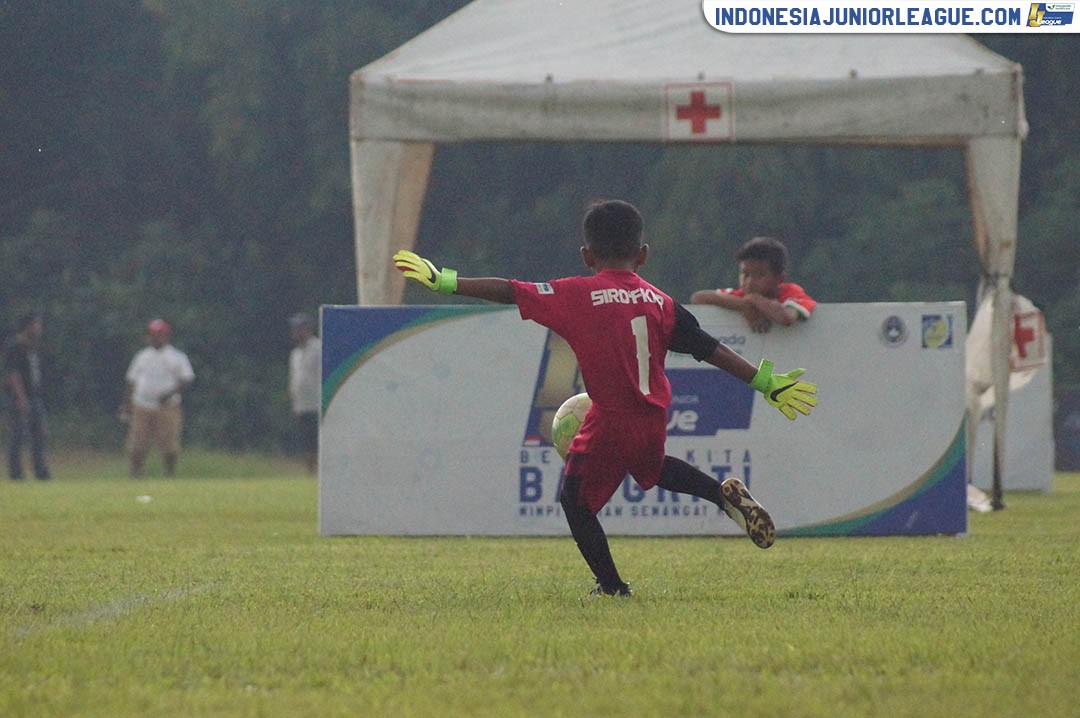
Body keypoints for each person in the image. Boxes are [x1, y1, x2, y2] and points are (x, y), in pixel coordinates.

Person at [393, 199, 818, 597]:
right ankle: (721, 495)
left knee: (574, 503)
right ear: (643, 254)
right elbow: (711, 349)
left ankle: (613, 588)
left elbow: (509, 290)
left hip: (610, 417)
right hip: (650, 415)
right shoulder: (661, 302)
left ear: (587, 256)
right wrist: (766, 383)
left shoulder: (575, 294)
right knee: (651, 468)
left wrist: (446, 280)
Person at [690, 236, 816, 333]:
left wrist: (754, 299)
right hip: (759, 359)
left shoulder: (792, 292)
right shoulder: (740, 295)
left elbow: (787, 318)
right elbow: (698, 297)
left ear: (780, 278)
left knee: (765, 367)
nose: (749, 282)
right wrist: (745, 306)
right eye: (745, 274)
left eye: (760, 275)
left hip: (787, 360)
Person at [119, 319, 195, 478]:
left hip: (167, 406)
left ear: (166, 336)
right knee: (137, 444)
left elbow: (187, 379)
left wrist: (170, 393)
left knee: (169, 445)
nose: (156, 338)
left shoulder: (176, 356)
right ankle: (136, 476)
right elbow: (131, 380)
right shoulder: (142, 356)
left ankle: (170, 475)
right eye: (153, 335)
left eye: (159, 335)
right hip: (142, 405)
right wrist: (127, 404)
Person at [3, 312, 51, 480]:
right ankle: (16, 473)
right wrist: (21, 398)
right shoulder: (15, 347)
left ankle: (41, 471)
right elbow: (14, 374)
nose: (39, 328)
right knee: (17, 435)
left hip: (35, 396)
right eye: (36, 324)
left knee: (40, 434)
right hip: (19, 398)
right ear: (28, 326)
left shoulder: (34, 347)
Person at [288, 312, 321, 474]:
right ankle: (310, 472)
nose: (295, 332)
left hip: (317, 403)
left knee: (317, 440)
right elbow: (294, 378)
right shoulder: (295, 353)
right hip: (302, 404)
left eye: (298, 328)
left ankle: (319, 471)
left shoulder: (318, 348)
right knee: (306, 441)